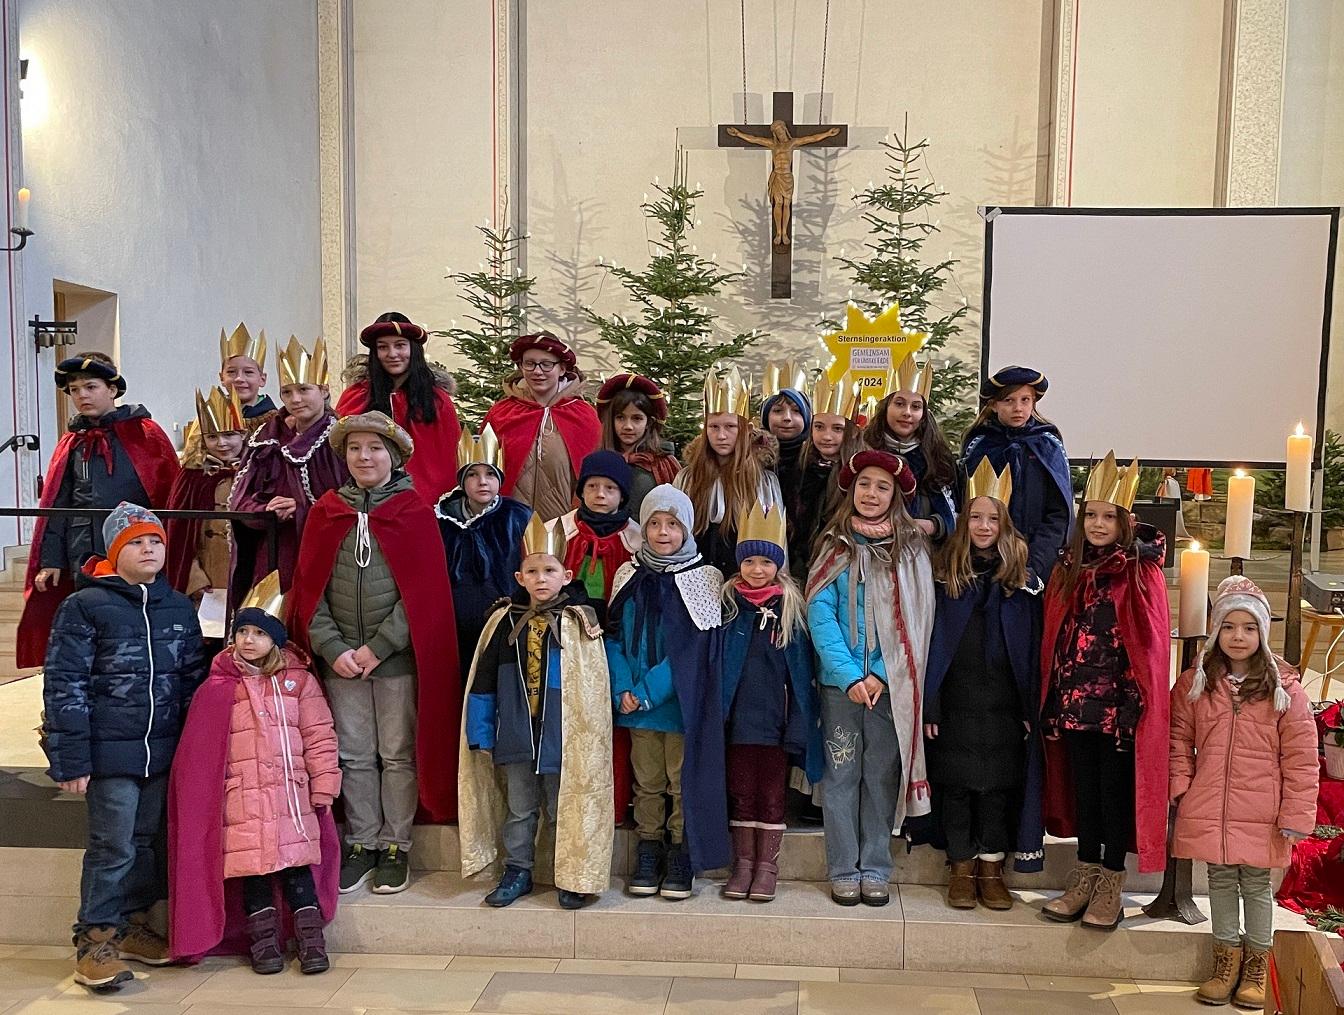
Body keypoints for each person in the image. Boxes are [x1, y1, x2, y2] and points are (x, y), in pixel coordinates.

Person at [288, 411, 460, 897]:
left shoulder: (411, 510)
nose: (365, 457)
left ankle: (395, 846)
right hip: (340, 660)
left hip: (394, 660)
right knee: (355, 755)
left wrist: (378, 647)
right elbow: (309, 589)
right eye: (356, 448)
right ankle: (361, 842)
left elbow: (423, 595)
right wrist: (334, 648)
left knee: (397, 753)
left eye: (375, 448)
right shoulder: (327, 511)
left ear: (394, 455)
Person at [41, 503, 206, 989]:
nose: (149, 548)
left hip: (162, 751)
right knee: (112, 846)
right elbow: (65, 684)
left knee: (146, 842)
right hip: (110, 755)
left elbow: (194, 681)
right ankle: (95, 940)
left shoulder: (176, 605)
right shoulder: (86, 606)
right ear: (114, 552)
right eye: (136, 542)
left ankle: (133, 927)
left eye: (154, 540)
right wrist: (70, 758)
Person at [167, 572, 342, 974]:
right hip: (241, 800)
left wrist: (324, 786)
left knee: (298, 872)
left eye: (258, 633)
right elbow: (203, 755)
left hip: (292, 798)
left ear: (275, 641)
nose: (248, 640)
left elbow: (319, 736)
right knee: (254, 876)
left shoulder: (299, 684)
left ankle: (311, 942)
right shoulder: (217, 686)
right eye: (242, 631)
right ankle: (264, 944)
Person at [1170, 577, 1318, 1008]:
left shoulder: (1284, 690)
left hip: (1262, 808)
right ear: (1216, 631)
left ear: (1262, 634)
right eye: (1229, 627)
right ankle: (1224, 963)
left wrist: (1296, 813)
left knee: (1255, 885)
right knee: (1218, 879)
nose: (1238, 636)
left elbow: (1302, 758)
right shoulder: (1198, 683)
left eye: (1249, 628)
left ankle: (1256, 965)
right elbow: (1178, 737)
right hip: (1211, 802)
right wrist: (1181, 783)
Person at [1040, 454, 1170, 930]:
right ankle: (1084, 874)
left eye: (1108, 516)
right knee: (1085, 794)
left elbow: (1150, 644)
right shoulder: (1068, 567)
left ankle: (1111, 881)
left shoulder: (1141, 570)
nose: (1098, 524)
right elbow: (1056, 636)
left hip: (1119, 711)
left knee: (1115, 795)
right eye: (1091, 515)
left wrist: (1139, 703)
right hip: (1075, 705)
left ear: (1125, 521)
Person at [458, 515, 614, 911]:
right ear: (520, 576)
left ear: (567, 574)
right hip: (515, 731)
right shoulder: (502, 621)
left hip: (563, 736)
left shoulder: (581, 622)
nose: (541, 578)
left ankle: (570, 874)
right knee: (520, 807)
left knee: (565, 805)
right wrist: (480, 732)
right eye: (533, 571)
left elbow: (591, 687)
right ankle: (518, 870)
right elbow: (484, 681)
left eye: (549, 570)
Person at [806, 450, 933, 907]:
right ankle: (843, 867)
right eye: (864, 485)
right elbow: (819, 613)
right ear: (851, 490)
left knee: (880, 776)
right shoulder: (833, 545)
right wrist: (846, 675)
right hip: (841, 688)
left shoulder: (911, 549)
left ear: (895, 495)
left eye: (882, 487)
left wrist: (880, 673)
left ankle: (876, 865)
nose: (872, 493)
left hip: (889, 685)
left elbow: (915, 618)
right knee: (842, 776)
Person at [923, 460, 1044, 911]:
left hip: (1003, 704)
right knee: (954, 785)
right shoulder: (944, 575)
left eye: (993, 518)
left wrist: (1029, 707)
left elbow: (1029, 650)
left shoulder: (1024, 583)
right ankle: (960, 866)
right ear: (963, 521)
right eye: (976, 517)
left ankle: (992, 868)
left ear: (1005, 524)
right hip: (955, 699)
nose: (984, 525)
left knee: (997, 788)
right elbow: (931, 642)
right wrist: (930, 700)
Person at [18, 353, 180, 669]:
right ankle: (91, 680)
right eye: (75, 390)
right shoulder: (73, 442)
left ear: (112, 389)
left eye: (90, 387)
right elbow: (57, 503)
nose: (82, 396)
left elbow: (168, 494)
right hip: (82, 547)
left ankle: (131, 678)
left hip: (134, 545)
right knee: (88, 615)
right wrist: (51, 560)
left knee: (132, 611)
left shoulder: (144, 433)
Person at [607, 484, 729, 899]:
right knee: (648, 782)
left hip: (677, 705)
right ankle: (649, 847)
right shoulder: (629, 574)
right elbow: (613, 637)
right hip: (633, 705)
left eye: (672, 524)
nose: (662, 532)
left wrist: (644, 692)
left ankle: (680, 852)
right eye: (654, 523)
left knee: (680, 782)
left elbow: (691, 653)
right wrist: (622, 686)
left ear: (687, 529)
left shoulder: (704, 579)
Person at [718, 502, 821, 903]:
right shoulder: (729, 610)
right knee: (741, 792)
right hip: (739, 724)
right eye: (750, 561)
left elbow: (799, 677)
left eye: (765, 561)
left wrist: (797, 725)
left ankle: (767, 867)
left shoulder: (790, 612)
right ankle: (743, 864)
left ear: (778, 565)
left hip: (775, 726)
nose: (757, 569)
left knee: (773, 796)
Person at [229, 337, 347, 591]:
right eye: (287, 392)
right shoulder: (266, 436)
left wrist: (301, 506)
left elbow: (349, 499)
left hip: (321, 554)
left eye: (304, 389)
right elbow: (239, 498)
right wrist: (267, 510)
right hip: (271, 552)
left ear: (324, 390)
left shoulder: (341, 438)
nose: (295, 399)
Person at [961, 366, 1072, 589]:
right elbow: (966, 507)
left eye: (1025, 400)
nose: (1018, 408)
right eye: (1009, 401)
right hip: (985, 562)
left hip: (1037, 560)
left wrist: (1036, 564)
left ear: (1034, 403)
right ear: (993, 404)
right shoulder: (979, 446)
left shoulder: (1047, 446)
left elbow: (1059, 512)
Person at [436, 426, 531, 686]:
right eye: (473, 474)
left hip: (504, 625)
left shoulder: (518, 517)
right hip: (453, 627)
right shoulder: (440, 520)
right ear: (461, 479)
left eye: (490, 474)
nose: (482, 481)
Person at [336, 311, 463, 503]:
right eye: (383, 347)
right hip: (364, 504)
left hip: (424, 504)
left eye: (400, 345)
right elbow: (339, 453)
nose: (392, 354)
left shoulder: (436, 401)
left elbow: (448, 459)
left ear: (413, 348)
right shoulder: (356, 396)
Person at [482, 332, 601, 521]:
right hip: (508, 524)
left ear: (562, 368)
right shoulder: (501, 414)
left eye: (546, 364)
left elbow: (597, 476)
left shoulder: (585, 416)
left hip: (567, 527)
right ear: (521, 366)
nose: (537, 371)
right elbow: (482, 469)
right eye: (529, 363)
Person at [675, 366, 782, 574]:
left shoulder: (763, 481)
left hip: (744, 579)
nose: (721, 435)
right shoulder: (688, 478)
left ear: (744, 430)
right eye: (714, 427)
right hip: (694, 576)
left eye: (730, 427)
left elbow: (773, 540)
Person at [165, 387, 246, 601]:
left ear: (243, 434)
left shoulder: (255, 470)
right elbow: (178, 534)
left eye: (229, 435)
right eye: (212, 437)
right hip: (208, 571)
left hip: (246, 568)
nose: (221, 443)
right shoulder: (192, 475)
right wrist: (194, 580)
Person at [864, 358, 959, 541]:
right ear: (886, 408)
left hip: (924, 551)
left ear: (923, 415)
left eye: (916, 407)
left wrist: (934, 525)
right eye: (899, 404)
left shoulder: (937, 457)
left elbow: (953, 510)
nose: (907, 413)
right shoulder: (866, 451)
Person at [789, 373, 863, 579]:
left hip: (846, 565)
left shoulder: (861, 472)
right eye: (819, 427)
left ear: (852, 432)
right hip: (803, 563)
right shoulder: (802, 466)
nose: (826, 436)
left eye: (837, 429)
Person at [559, 450, 643, 611]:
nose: (600, 494)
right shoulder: (560, 532)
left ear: (622, 495)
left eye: (610, 488)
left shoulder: (637, 542)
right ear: (582, 491)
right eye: (592, 486)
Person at [596, 373, 681, 517]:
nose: (628, 426)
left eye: (637, 418)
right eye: (621, 417)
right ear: (612, 420)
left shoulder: (663, 464)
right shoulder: (598, 463)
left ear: (648, 422)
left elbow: (678, 513)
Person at [760, 360, 812, 536]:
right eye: (778, 410)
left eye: (796, 411)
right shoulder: (751, 459)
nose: (787, 418)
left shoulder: (815, 460)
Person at [219, 322, 279, 429]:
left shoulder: (276, 421)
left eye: (248, 372)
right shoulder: (213, 414)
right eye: (231, 372)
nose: (239, 378)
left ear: (262, 379)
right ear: (221, 378)